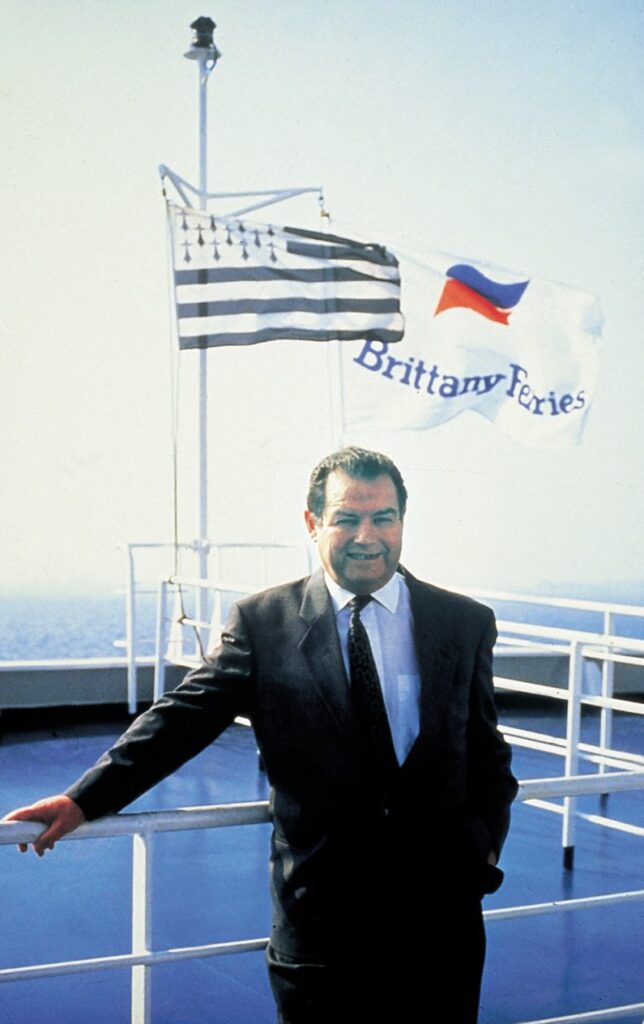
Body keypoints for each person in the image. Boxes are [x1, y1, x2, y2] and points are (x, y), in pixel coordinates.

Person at [4, 446, 517, 1023]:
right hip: (322, 933)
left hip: (440, 927)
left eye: (384, 517)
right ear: (312, 523)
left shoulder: (464, 622)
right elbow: (181, 720)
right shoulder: (264, 623)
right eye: (346, 518)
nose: (366, 535)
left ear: (403, 519)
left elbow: (487, 752)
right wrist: (82, 799)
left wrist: (483, 853)